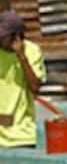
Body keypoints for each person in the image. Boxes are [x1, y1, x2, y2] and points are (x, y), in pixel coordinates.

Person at [0, 10, 45, 149]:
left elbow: (35, 88)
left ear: (16, 37)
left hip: (21, 136)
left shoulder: (32, 51)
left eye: (3, 37)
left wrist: (21, 57)